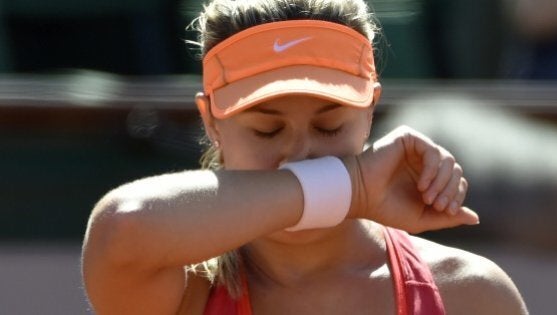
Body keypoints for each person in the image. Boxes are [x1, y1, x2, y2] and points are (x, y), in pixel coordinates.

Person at [81, 0, 528, 314]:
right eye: (266, 129)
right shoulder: (182, 293)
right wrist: (345, 186)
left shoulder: (469, 296)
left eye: (329, 125)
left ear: (371, 110)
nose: (301, 153)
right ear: (211, 121)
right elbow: (122, 227)